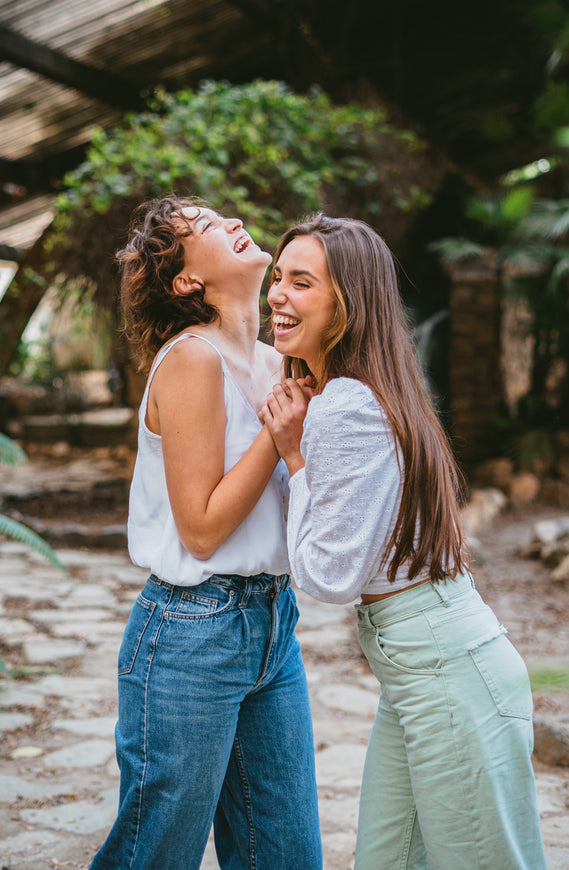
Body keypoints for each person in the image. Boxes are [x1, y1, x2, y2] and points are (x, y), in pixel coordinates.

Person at [261, 214, 547, 870]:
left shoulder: (342, 409)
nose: (277, 293)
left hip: (449, 672)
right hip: (428, 670)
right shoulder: (367, 392)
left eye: (301, 281)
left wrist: (295, 458)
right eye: (278, 277)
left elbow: (327, 577)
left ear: (348, 303)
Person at [90, 196, 322, 870]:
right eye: (212, 228)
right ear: (188, 281)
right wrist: (279, 439)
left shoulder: (275, 361)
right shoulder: (193, 359)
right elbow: (200, 530)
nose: (235, 223)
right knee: (157, 851)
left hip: (273, 626)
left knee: (285, 853)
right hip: (194, 631)